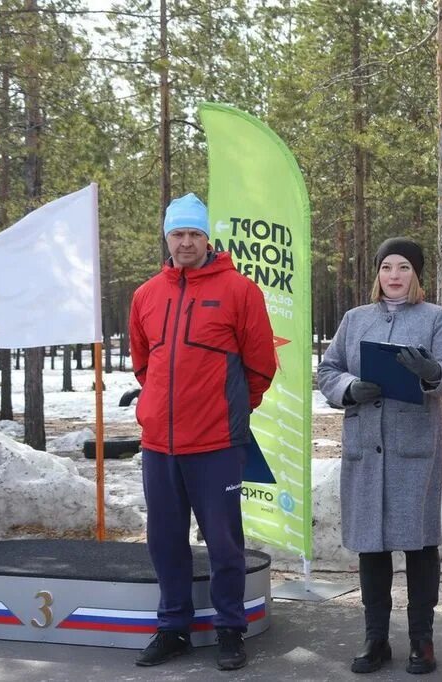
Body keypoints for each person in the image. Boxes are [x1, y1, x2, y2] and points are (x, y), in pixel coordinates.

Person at [129, 193, 277, 671]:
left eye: (195, 234)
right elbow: (142, 365)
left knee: (223, 541)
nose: (187, 242)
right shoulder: (146, 295)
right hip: (159, 447)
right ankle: (172, 627)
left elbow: (260, 366)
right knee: (164, 540)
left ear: (207, 238)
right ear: (167, 238)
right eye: (178, 234)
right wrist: (155, 410)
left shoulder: (240, 291)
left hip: (216, 445)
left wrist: (231, 412)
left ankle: (230, 629)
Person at [317, 237, 442, 675]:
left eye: (403, 268)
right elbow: (328, 369)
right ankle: (374, 638)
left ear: (416, 275)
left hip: (411, 449)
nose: (394, 276)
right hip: (366, 444)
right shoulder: (354, 318)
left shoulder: (436, 318)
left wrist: (431, 372)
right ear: (377, 274)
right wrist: (348, 389)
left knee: (420, 546)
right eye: (386, 268)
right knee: (371, 547)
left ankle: (422, 640)